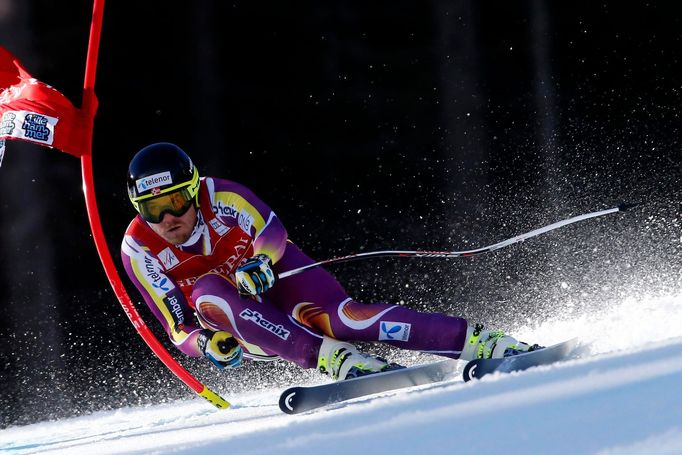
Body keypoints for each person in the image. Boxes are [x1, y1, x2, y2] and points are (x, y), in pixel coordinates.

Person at [121, 143, 539, 380]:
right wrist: (208, 345)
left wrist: (262, 260)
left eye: (175, 201)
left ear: (193, 191)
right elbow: (178, 328)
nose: (168, 219)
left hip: (270, 279)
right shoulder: (138, 250)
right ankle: (334, 359)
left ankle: (479, 341)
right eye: (152, 209)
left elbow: (272, 232)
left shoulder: (223, 196)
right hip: (245, 324)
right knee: (210, 292)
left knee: (345, 320)